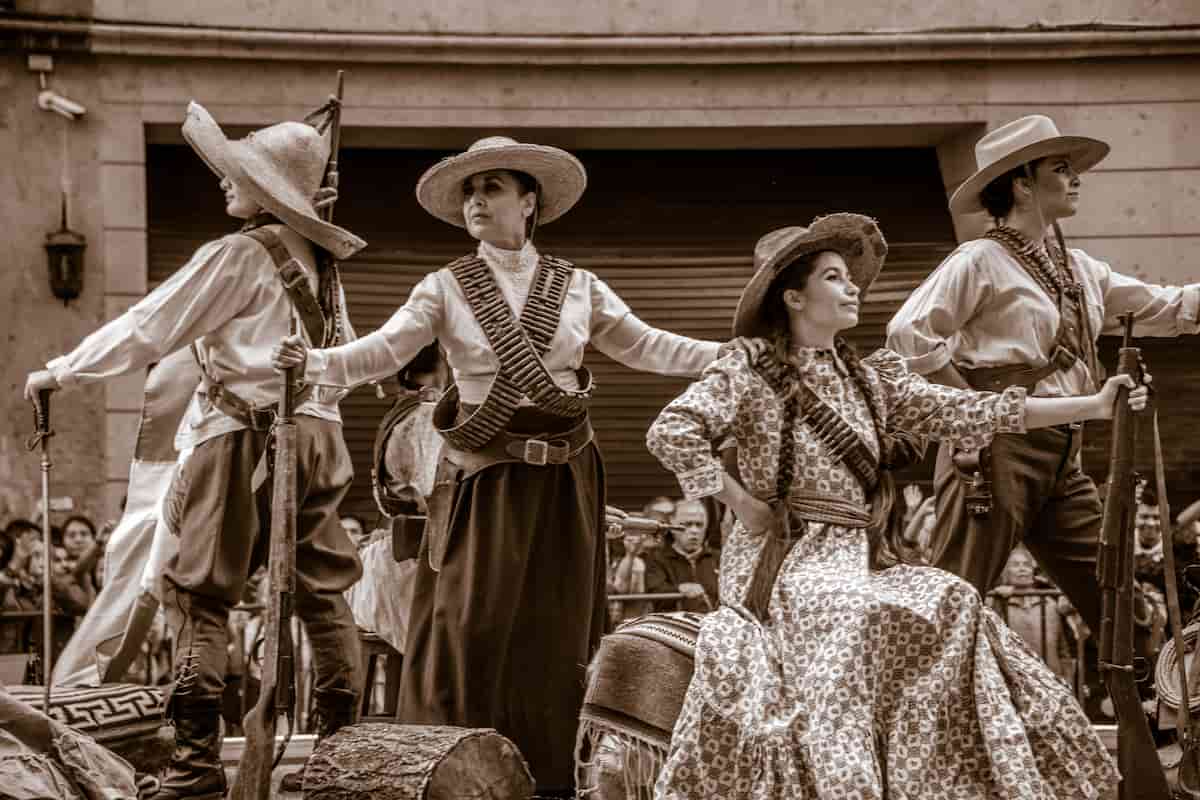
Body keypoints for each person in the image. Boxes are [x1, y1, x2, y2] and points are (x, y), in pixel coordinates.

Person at [271, 135, 741, 794]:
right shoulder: (444, 286)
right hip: (480, 480)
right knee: (467, 631)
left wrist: (732, 351)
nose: (475, 201)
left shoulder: (579, 286)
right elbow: (383, 351)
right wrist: (316, 363)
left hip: (565, 480)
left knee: (556, 635)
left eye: (491, 187)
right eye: (469, 191)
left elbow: (647, 345)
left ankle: (549, 778)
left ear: (529, 202)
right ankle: (450, 776)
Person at [643, 213, 1148, 798]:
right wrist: (740, 502)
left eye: (850, 277)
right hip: (786, 559)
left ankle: (939, 779)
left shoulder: (868, 377)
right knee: (850, 613)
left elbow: (972, 410)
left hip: (862, 552)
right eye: (834, 277)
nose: (853, 286)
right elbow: (671, 431)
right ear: (793, 297)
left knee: (956, 599)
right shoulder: (748, 368)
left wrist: (1092, 405)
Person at [24, 101, 367, 800]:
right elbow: (343, 369)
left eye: (240, 175)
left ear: (272, 194)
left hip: (242, 440)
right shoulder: (323, 268)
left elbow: (151, 324)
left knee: (197, 601)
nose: (222, 183)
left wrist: (64, 369)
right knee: (323, 598)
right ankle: (343, 758)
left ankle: (194, 769)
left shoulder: (240, 253)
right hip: (318, 439)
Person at [885, 115, 1200, 639]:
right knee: (955, 602)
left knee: (1118, 602)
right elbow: (907, 334)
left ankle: (1151, 714)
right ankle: (913, 718)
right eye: (1061, 168)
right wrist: (969, 414)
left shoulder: (1079, 269)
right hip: (994, 450)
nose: (1075, 178)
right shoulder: (979, 259)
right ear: (1022, 184)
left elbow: (1168, 307)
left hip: (1062, 450)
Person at [645, 497, 719, 613]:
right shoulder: (657, 559)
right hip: (673, 626)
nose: (694, 530)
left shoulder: (718, 558)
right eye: (688, 524)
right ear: (672, 525)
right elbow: (655, 595)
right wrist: (680, 589)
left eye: (699, 525)